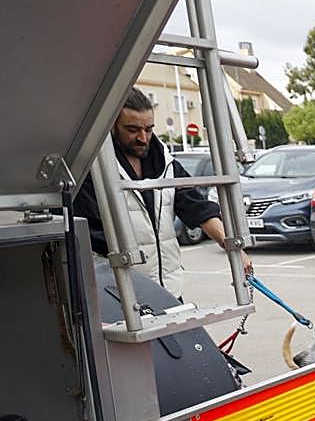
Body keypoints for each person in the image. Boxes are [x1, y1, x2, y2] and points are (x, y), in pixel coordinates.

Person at [74, 88, 251, 300]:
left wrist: (234, 250)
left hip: (170, 290)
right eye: (132, 130)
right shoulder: (92, 171)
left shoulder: (166, 163)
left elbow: (198, 207)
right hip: (120, 293)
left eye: (148, 129)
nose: (142, 138)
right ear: (111, 125)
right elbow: (92, 238)